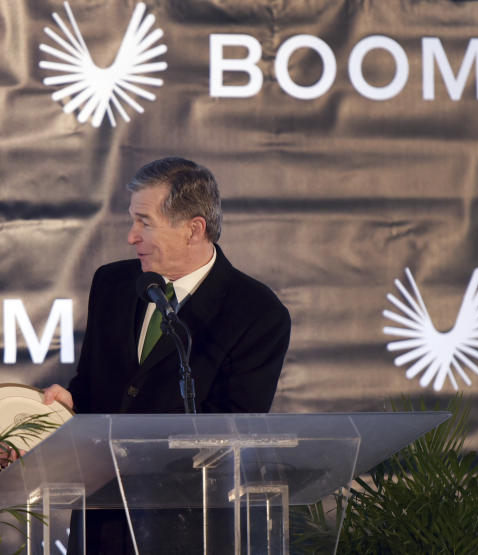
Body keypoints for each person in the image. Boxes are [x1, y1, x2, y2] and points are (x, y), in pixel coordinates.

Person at [43, 157, 292, 553]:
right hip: (101, 525)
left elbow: (230, 435)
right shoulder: (113, 283)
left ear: (194, 229)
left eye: (145, 222)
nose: (131, 236)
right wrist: (69, 407)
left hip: (188, 528)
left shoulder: (257, 313)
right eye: (132, 220)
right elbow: (92, 387)